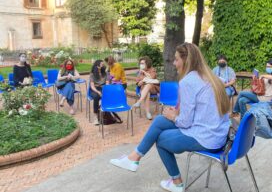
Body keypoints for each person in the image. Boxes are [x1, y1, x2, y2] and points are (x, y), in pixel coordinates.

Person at [110, 43, 230, 192]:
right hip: (218, 134)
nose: (174, 63)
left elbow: (185, 123)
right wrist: (175, 114)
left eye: (176, 59)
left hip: (206, 137)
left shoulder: (188, 81)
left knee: (160, 139)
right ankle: (134, 158)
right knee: (160, 120)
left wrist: (174, 116)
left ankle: (176, 183)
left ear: (185, 61)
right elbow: (202, 111)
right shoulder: (211, 77)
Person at [89, 60, 107, 125]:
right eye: (102, 64)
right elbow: (92, 86)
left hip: (103, 88)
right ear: (97, 66)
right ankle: (95, 116)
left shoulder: (105, 73)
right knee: (96, 97)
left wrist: (104, 90)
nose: (103, 65)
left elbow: (107, 83)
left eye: (103, 64)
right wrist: (98, 92)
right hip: (95, 89)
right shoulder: (92, 74)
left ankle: (107, 113)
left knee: (109, 95)